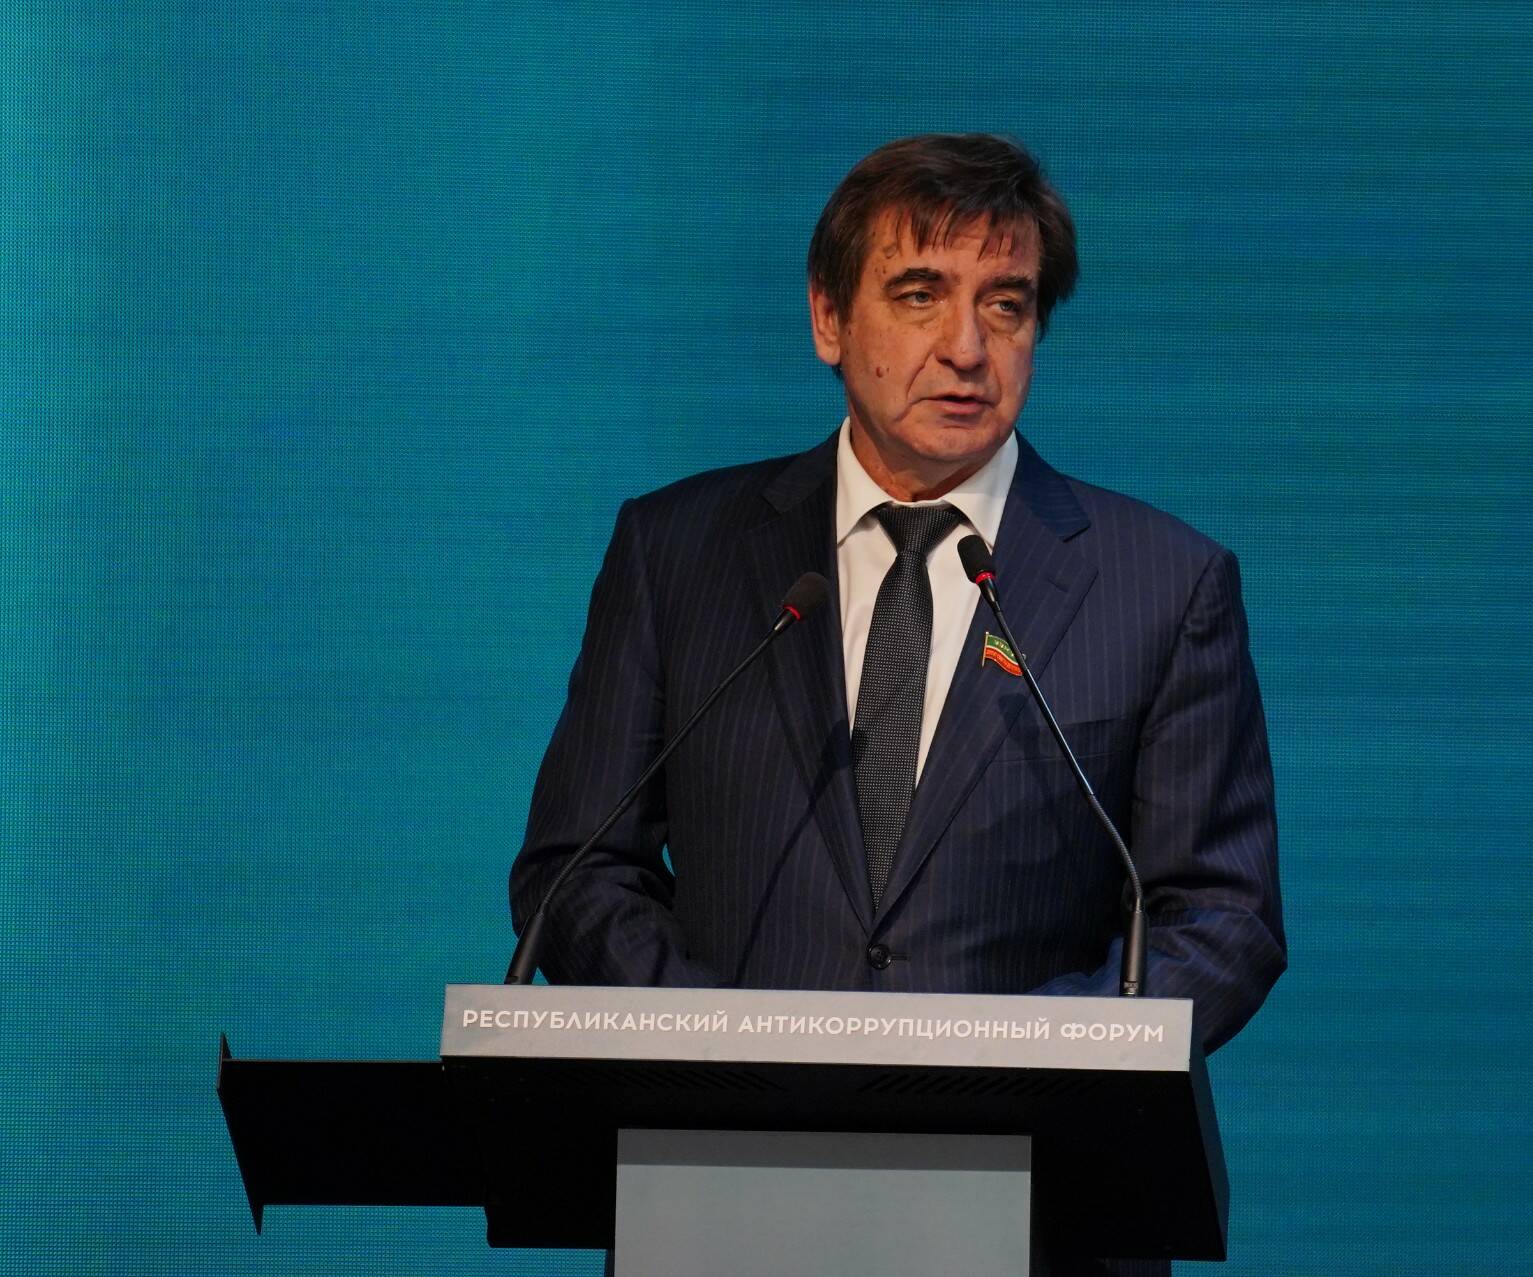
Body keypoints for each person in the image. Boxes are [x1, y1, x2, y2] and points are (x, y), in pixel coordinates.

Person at [510, 137, 1285, 1268]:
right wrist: (719, 1043)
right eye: (919, 295)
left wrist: (1020, 1061)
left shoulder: (1162, 585)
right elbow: (576, 869)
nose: (966, 347)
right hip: (722, 1197)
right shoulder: (677, 553)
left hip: (1042, 1210)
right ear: (829, 318)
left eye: (1005, 304)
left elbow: (1222, 915)